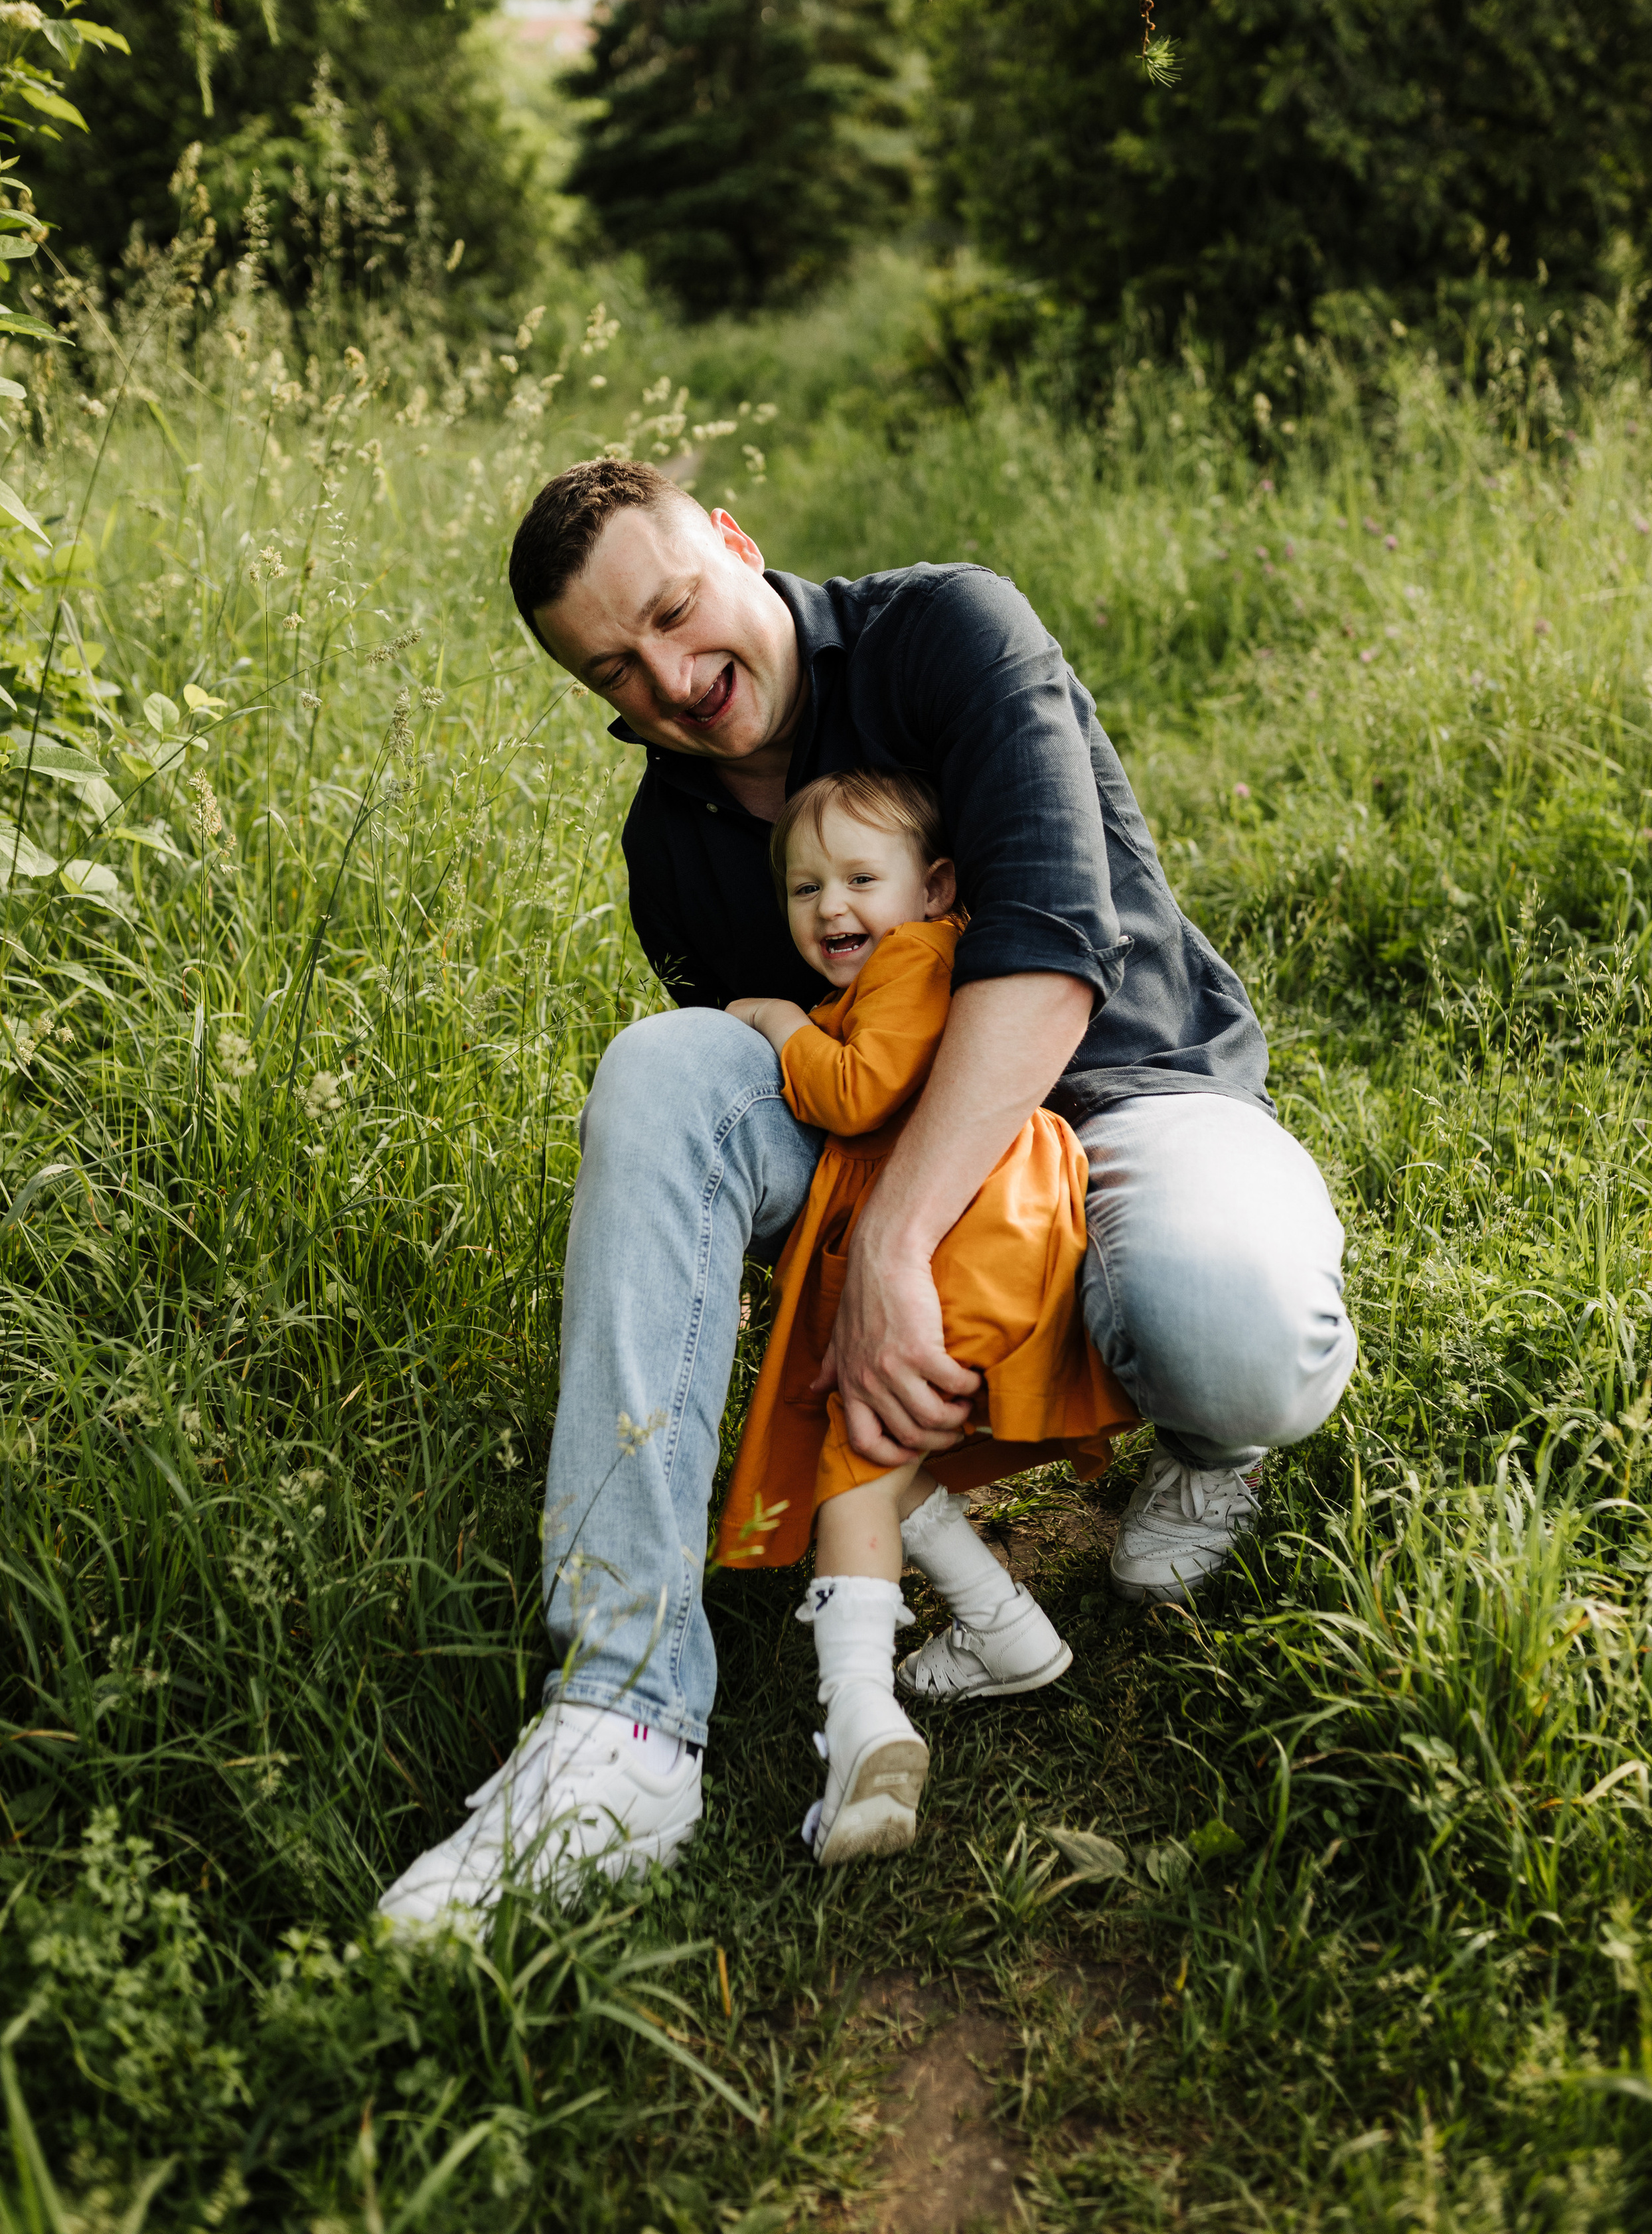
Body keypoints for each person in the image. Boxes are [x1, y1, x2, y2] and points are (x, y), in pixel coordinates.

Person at [376, 459, 1357, 1930]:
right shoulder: (669, 844)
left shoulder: (948, 631)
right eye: (614, 671)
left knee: (1232, 1330)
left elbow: (1047, 959)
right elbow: (774, 1113)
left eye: (674, 612)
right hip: (878, 1137)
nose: (670, 682)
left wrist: (893, 1251)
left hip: (1122, 1088)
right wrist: (827, 1294)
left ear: (733, 543)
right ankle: (620, 1720)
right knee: (663, 1067)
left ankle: (1211, 1446)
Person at [717, 765, 1139, 1865]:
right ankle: (1003, 1628)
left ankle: (861, 1715)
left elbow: (857, 1091)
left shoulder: (915, 957)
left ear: (936, 885)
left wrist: (776, 1021)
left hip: (965, 1228)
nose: (833, 907)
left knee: (860, 1450)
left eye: (862, 878)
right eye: (806, 888)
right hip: (974, 1223)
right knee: (885, 1443)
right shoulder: (911, 955)